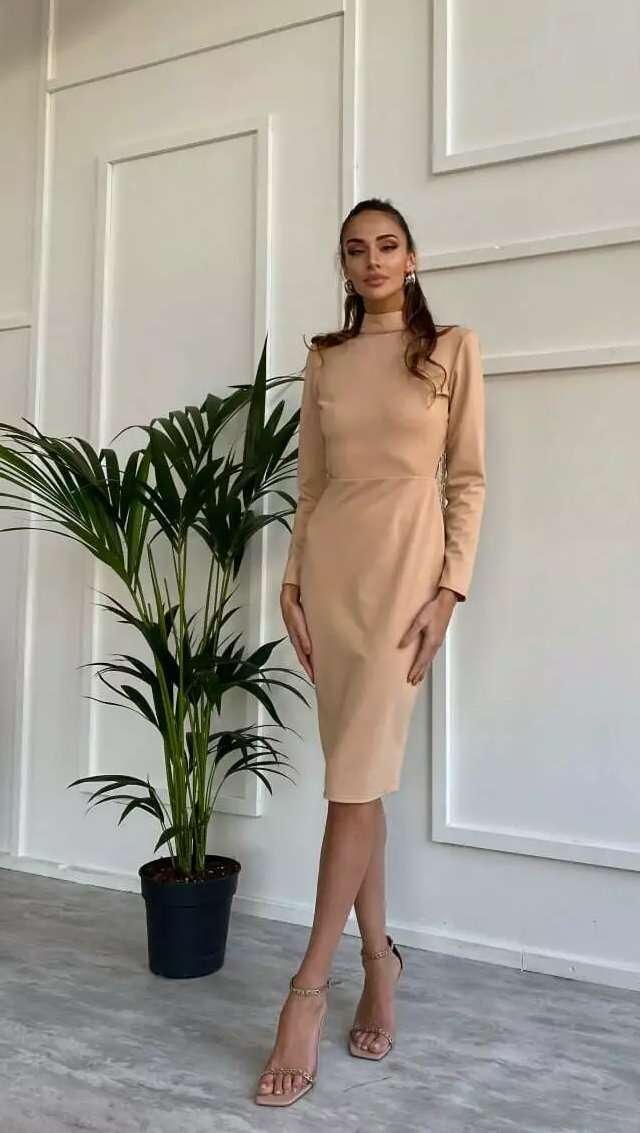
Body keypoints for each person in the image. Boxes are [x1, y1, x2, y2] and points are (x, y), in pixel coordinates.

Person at [255, 199, 486, 1107]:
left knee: (351, 785)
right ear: (344, 266)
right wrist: (290, 582)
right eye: (356, 250)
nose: (372, 260)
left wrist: (449, 590)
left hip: (405, 578)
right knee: (361, 782)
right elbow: (310, 484)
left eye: (387, 246)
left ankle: (307, 990)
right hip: (331, 576)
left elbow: (466, 479)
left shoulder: (452, 349)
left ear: (412, 257)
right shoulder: (325, 357)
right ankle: (380, 962)